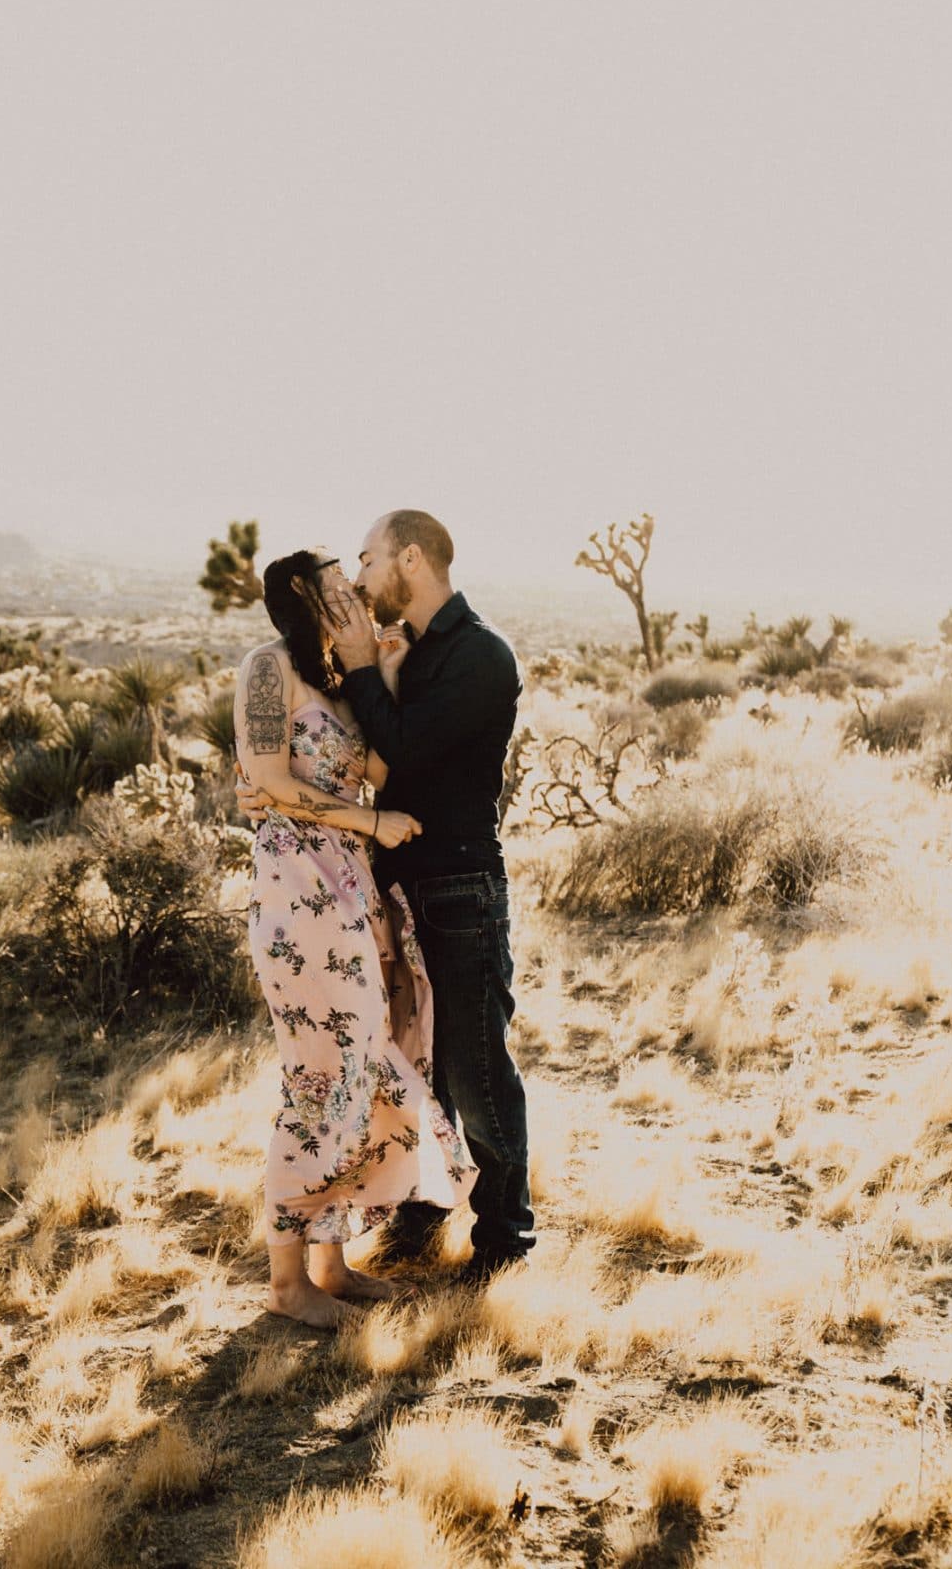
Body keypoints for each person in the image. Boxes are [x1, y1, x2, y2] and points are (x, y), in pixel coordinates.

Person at [233, 547, 476, 1329]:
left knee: (366, 1063)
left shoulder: (342, 682)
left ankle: (330, 1266)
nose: (356, 599)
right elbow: (266, 779)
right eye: (337, 591)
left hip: (352, 887)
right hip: (298, 889)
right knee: (322, 1071)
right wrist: (369, 820)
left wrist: (386, 672)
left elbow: (378, 765)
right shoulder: (267, 668)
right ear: (304, 602)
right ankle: (284, 1282)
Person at [329, 509, 535, 1281]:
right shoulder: (409, 652)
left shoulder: (478, 654)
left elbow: (405, 751)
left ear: (410, 559)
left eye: (368, 558)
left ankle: (505, 1241)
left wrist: (357, 666)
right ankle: (422, 1214)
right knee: (414, 1065)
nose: (358, 577)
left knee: (473, 1069)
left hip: (457, 888)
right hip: (402, 891)